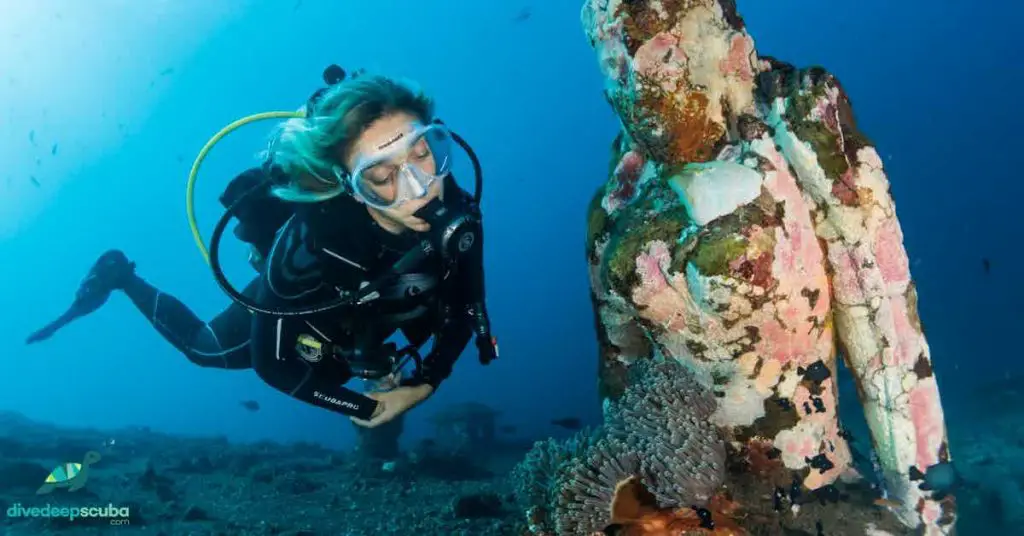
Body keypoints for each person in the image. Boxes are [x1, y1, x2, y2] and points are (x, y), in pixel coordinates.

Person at [245, 72, 496, 428]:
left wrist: (423, 385)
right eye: (381, 177)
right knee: (207, 349)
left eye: (423, 153)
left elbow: (467, 303)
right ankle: (132, 279)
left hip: (386, 316)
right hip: (311, 313)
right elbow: (270, 365)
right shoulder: (308, 248)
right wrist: (365, 408)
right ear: (351, 187)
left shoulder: (458, 209)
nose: (419, 189)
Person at [25, 167, 293, 370]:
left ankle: (122, 277)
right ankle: (121, 277)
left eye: (249, 234)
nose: (242, 239)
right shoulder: (295, 271)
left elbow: (205, 347)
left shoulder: (297, 270)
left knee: (203, 346)